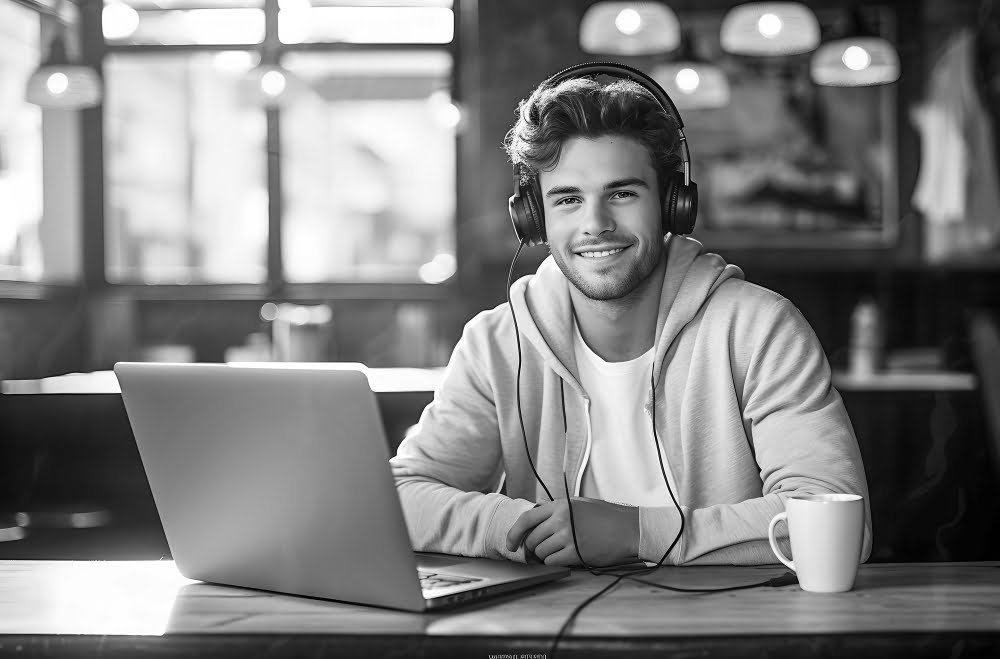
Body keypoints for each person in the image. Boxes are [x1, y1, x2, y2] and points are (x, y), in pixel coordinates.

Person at [389, 64, 873, 567]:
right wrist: (514, 526)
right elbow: (401, 496)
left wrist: (639, 533)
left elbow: (838, 527)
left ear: (671, 203)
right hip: (552, 636)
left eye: (622, 193)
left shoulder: (760, 330)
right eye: (568, 200)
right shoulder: (497, 342)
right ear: (535, 218)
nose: (595, 224)